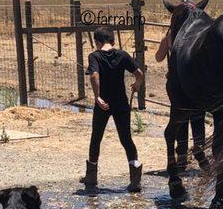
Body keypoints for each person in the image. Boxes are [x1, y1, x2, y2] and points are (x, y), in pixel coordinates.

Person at [80, 27, 144, 192]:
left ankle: (91, 177)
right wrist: (136, 84)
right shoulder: (122, 54)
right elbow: (139, 73)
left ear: (97, 42)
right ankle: (135, 178)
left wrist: (97, 97)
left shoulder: (94, 55)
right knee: (126, 139)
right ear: (112, 40)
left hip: (103, 104)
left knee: (96, 137)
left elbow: (94, 75)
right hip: (121, 103)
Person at [156, 31, 209, 171]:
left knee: (179, 118)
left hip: (176, 82)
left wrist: (166, 43)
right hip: (196, 82)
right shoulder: (197, 35)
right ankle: (199, 148)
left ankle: (182, 156)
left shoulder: (170, 36)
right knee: (198, 116)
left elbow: (158, 57)